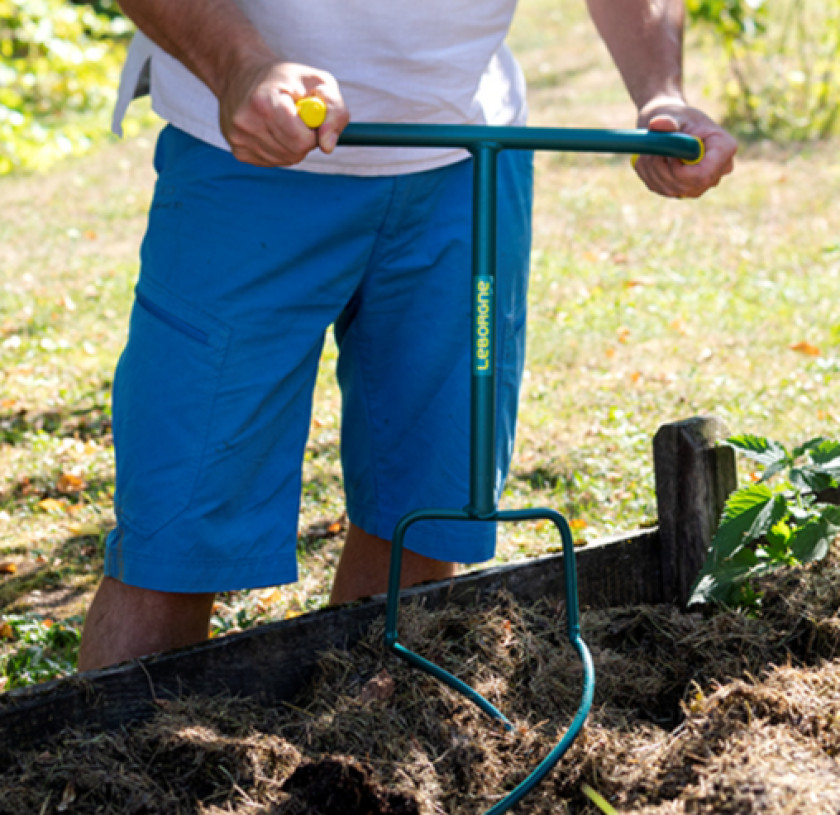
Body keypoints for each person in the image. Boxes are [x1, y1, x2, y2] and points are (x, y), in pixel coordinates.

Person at [77, 0, 737, 671]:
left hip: (465, 162)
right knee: (172, 544)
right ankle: (113, 742)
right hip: (243, 154)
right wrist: (238, 64)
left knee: (424, 522)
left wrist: (661, 92)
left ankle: (367, 730)